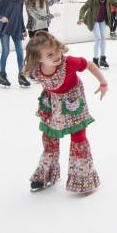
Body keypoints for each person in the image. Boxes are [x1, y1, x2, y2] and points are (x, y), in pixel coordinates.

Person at [24, 31, 107, 194]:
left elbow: (89, 64)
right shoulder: (36, 71)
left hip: (73, 103)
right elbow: (46, 83)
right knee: (49, 139)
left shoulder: (70, 63)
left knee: (78, 138)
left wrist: (103, 83)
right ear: (38, 58)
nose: (56, 56)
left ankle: (83, 178)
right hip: (53, 104)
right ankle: (45, 175)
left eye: (57, 50)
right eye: (49, 54)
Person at [78, 0, 117, 69]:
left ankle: (103, 59)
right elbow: (84, 7)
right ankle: (95, 60)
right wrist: (81, 18)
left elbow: (115, 4)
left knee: (103, 38)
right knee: (98, 38)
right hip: (94, 20)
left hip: (102, 20)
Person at [0, 0, 28, 88]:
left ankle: (22, 75)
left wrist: (23, 29)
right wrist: (0, 17)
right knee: (6, 51)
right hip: (4, 28)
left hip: (16, 27)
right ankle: (2, 75)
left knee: (20, 52)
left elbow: (20, 15)